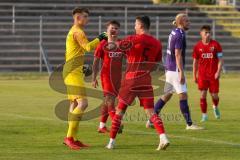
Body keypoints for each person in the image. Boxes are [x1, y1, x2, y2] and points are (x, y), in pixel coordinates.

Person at [106, 15, 170, 150]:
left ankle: (111, 142)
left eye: (135, 24)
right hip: (146, 79)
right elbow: (156, 62)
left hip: (130, 79)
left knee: (119, 112)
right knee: (151, 112)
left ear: (140, 26)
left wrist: (110, 36)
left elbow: (111, 47)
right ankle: (163, 138)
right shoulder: (157, 43)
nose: (134, 27)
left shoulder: (132, 39)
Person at [147, 13, 203, 130]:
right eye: (187, 21)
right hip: (175, 70)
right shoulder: (180, 35)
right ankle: (189, 124)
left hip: (170, 68)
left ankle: (151, 119)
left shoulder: (174, 32)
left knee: (166, 95)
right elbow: (177, 54)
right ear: (181, 22)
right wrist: (181, 72)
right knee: (183, 95)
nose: (189, 23)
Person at [62, 7, 107, 150]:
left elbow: (72, 52)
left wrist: (80, 67)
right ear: (77, 18)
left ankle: (72, 138)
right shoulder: (77, 31)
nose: (87, 19)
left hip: (72, 71)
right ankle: (69, 138)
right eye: (85, 16)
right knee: (83, 103)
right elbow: (88, 47)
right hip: (72, 73)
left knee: (75, 105)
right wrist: (100, 38)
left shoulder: (74, 31)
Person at [92, 20, 124, 133]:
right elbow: (95, 61)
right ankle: (117, 122)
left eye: (116, 28)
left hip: (118, 78)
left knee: (108, 101)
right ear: (107, 30)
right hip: (106, 76)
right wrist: (94, 78)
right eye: (112, 28)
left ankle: (101, 126)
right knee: (110, 101)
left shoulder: (122, 44)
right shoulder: (102, 45)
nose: (114, 30)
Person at [192, 25, 223, 122]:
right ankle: (204, 115)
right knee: (202, 95)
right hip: (202, 75)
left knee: (214, 95)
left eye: (209, 32)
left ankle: (215, 106)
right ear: (201, 34)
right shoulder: (197, 47)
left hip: (213, 75)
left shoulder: (216, 45)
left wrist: (218, 72)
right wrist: (194, 75)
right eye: (206, 33)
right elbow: (195, 62)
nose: (208, 34)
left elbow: (220, 60)